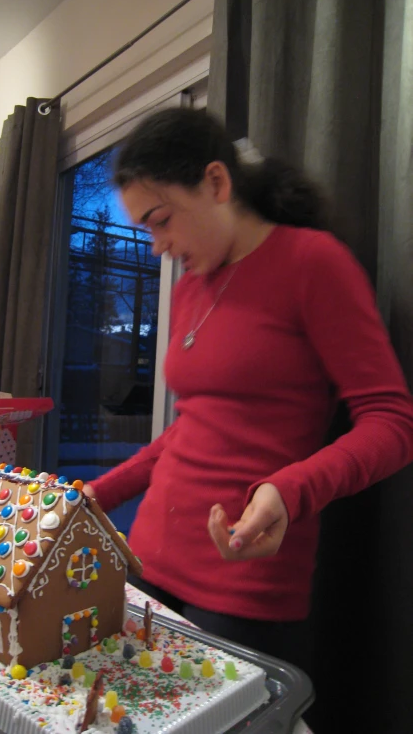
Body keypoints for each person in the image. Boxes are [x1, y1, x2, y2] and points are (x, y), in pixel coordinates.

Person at [83, 107, 413, 675]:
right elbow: (192, 427)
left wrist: (291, 490)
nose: (157, 244)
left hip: (242, 585)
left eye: (161, 220)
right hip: (147, 558)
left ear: (216, 182)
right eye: (146, 229)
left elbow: (392, 421)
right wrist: (96, 496)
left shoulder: (312, 263)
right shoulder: (192, 286)